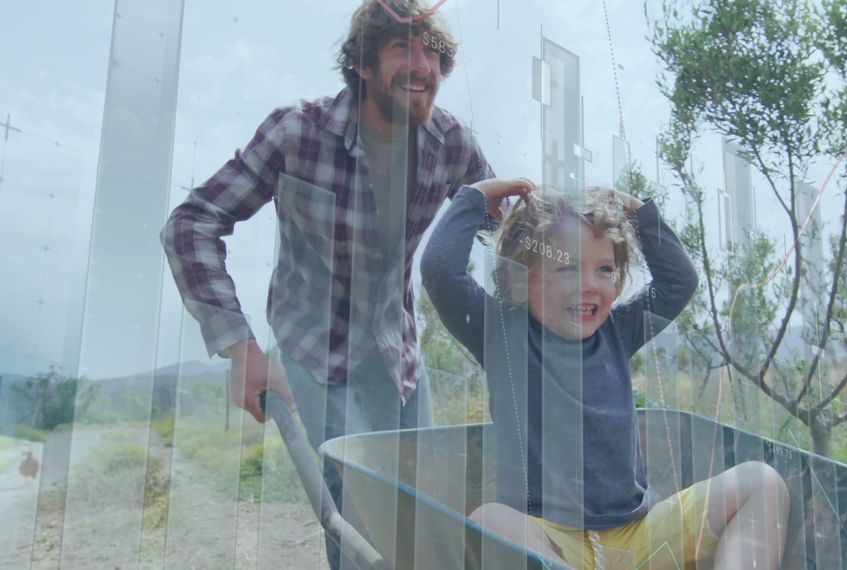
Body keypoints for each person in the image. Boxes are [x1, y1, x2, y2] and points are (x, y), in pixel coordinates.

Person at [160, 1, 492, 567]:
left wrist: (563, 245)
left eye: (433, 53)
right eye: (402, 48)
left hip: (398, 352)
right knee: (358, 512)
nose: (422, 65)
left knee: (424, 507)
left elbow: (505, 226)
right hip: (315, 350)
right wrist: (240, 347)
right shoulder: (296, 132)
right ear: (361, 64)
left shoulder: (452, 143)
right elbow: (192, 224)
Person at [421, 179, 790, 569]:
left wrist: (635, 212)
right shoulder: (502, 336)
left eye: (604, 269)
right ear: (518, 277)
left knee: (762, 483)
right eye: (566, 268)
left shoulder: (618, 330)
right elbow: (440, 270)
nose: (590, 286)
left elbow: (680, 281)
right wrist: (477, 195)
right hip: (553, 544)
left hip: (641, 534)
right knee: (489, 522)